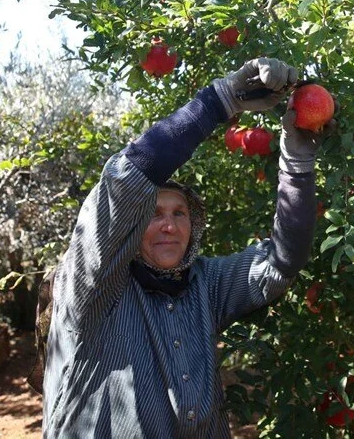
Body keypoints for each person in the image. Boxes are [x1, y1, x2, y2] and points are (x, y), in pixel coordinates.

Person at [41, 57, 330, 438]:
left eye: (180, 214)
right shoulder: (94, 286)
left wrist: (297, 164)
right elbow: (124, 180)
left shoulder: (202, 284)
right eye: (154, 214)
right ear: (130, 226)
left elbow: (281, 262)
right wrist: (220, 99)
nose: (169, 225)